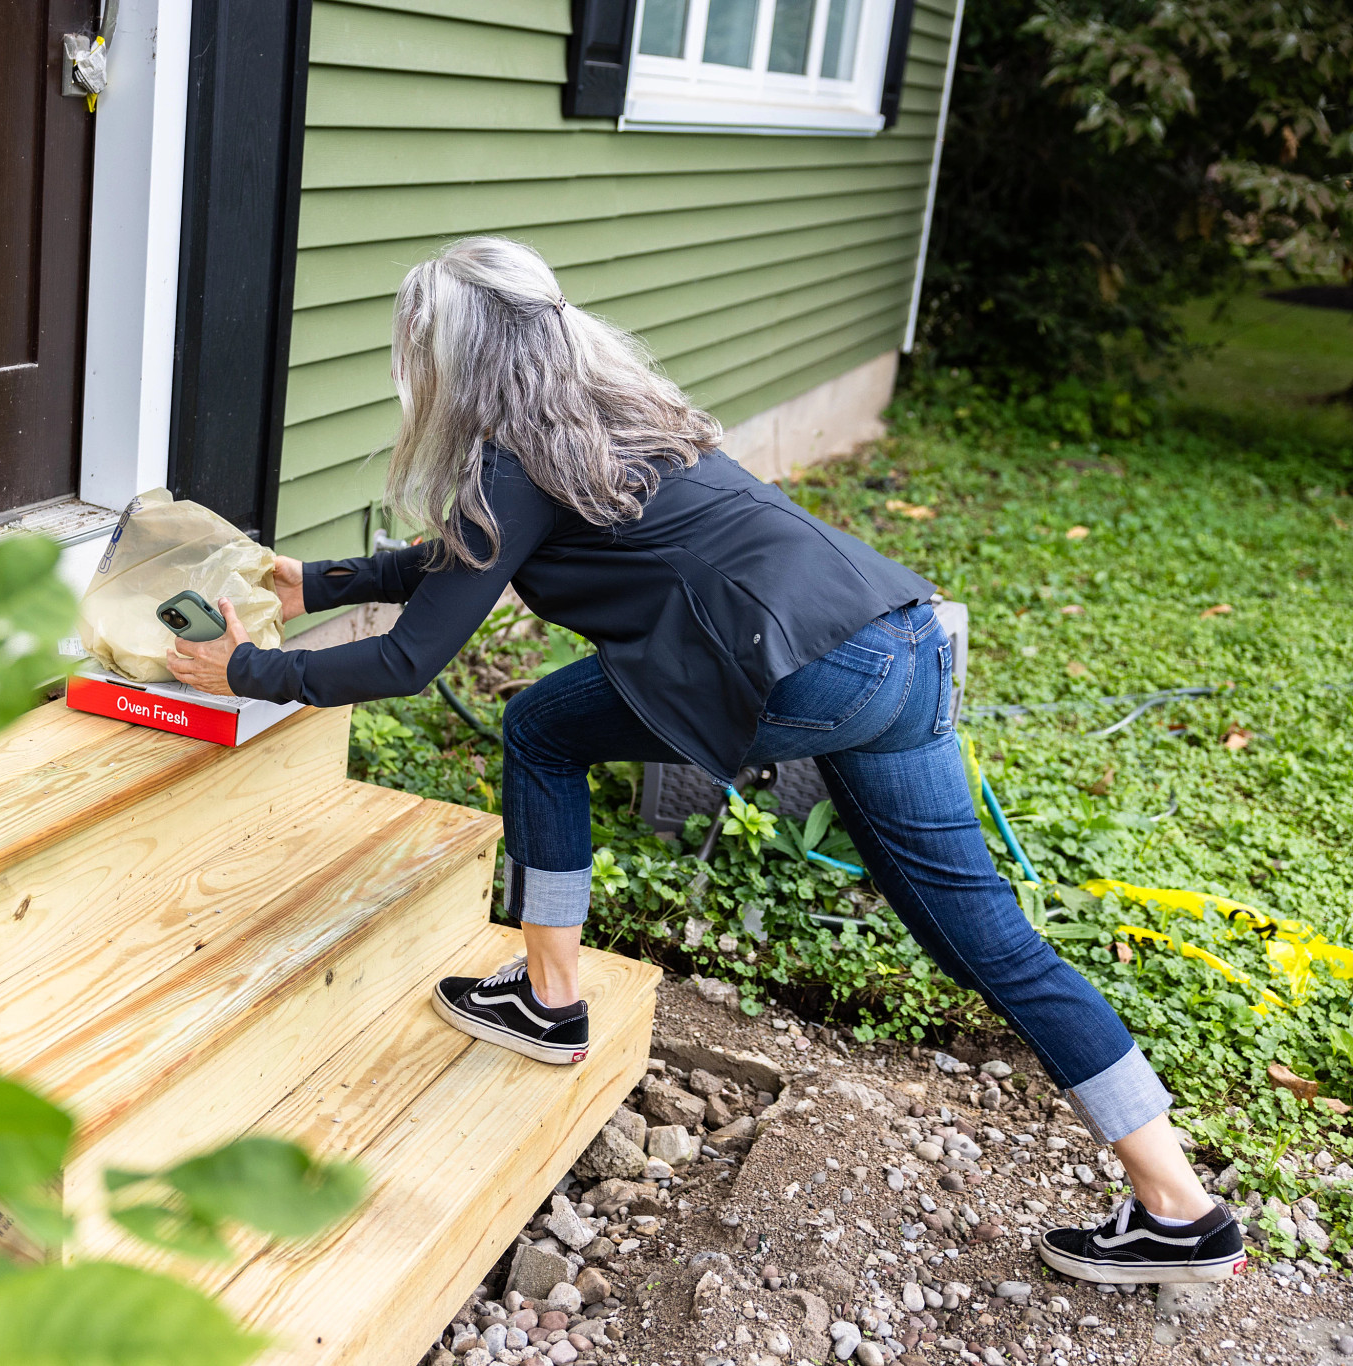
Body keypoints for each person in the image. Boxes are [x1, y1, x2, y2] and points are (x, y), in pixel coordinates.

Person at [163, 236, 1241, 1285]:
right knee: (991, 944)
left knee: (541, 727)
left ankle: (546, 999)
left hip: (803, 671)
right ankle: (1178, 1207)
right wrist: (320, 583)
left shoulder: (512, 460)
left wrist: (245, 668)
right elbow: (461, 562)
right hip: (901, 640)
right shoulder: (622, 416)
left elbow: (408, 659)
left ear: (447, 358)